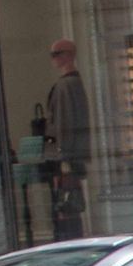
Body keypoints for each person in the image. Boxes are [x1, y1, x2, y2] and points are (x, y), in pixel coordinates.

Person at [42, 39, 91, 241]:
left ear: (69, 54)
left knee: (68, 205)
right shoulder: (69, 84)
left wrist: (64, 158)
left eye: (57, 53)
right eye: (52, 54)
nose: (54, 59)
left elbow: (66, 123)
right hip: (65, 157)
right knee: (66, 205)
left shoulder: (68, 85)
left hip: (66, 158)